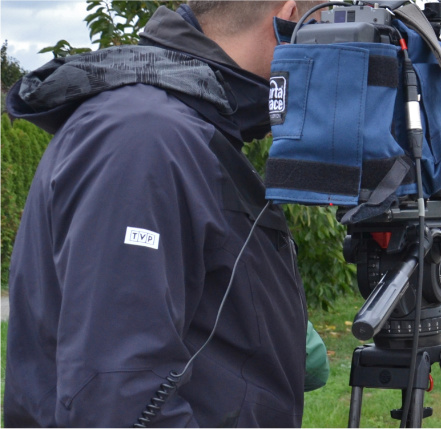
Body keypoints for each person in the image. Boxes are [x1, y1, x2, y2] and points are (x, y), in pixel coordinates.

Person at [4, 1, 328, 426]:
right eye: (325, 26)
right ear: (289, 19)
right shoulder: (146, 138)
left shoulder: (184, 130)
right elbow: (117, 394)